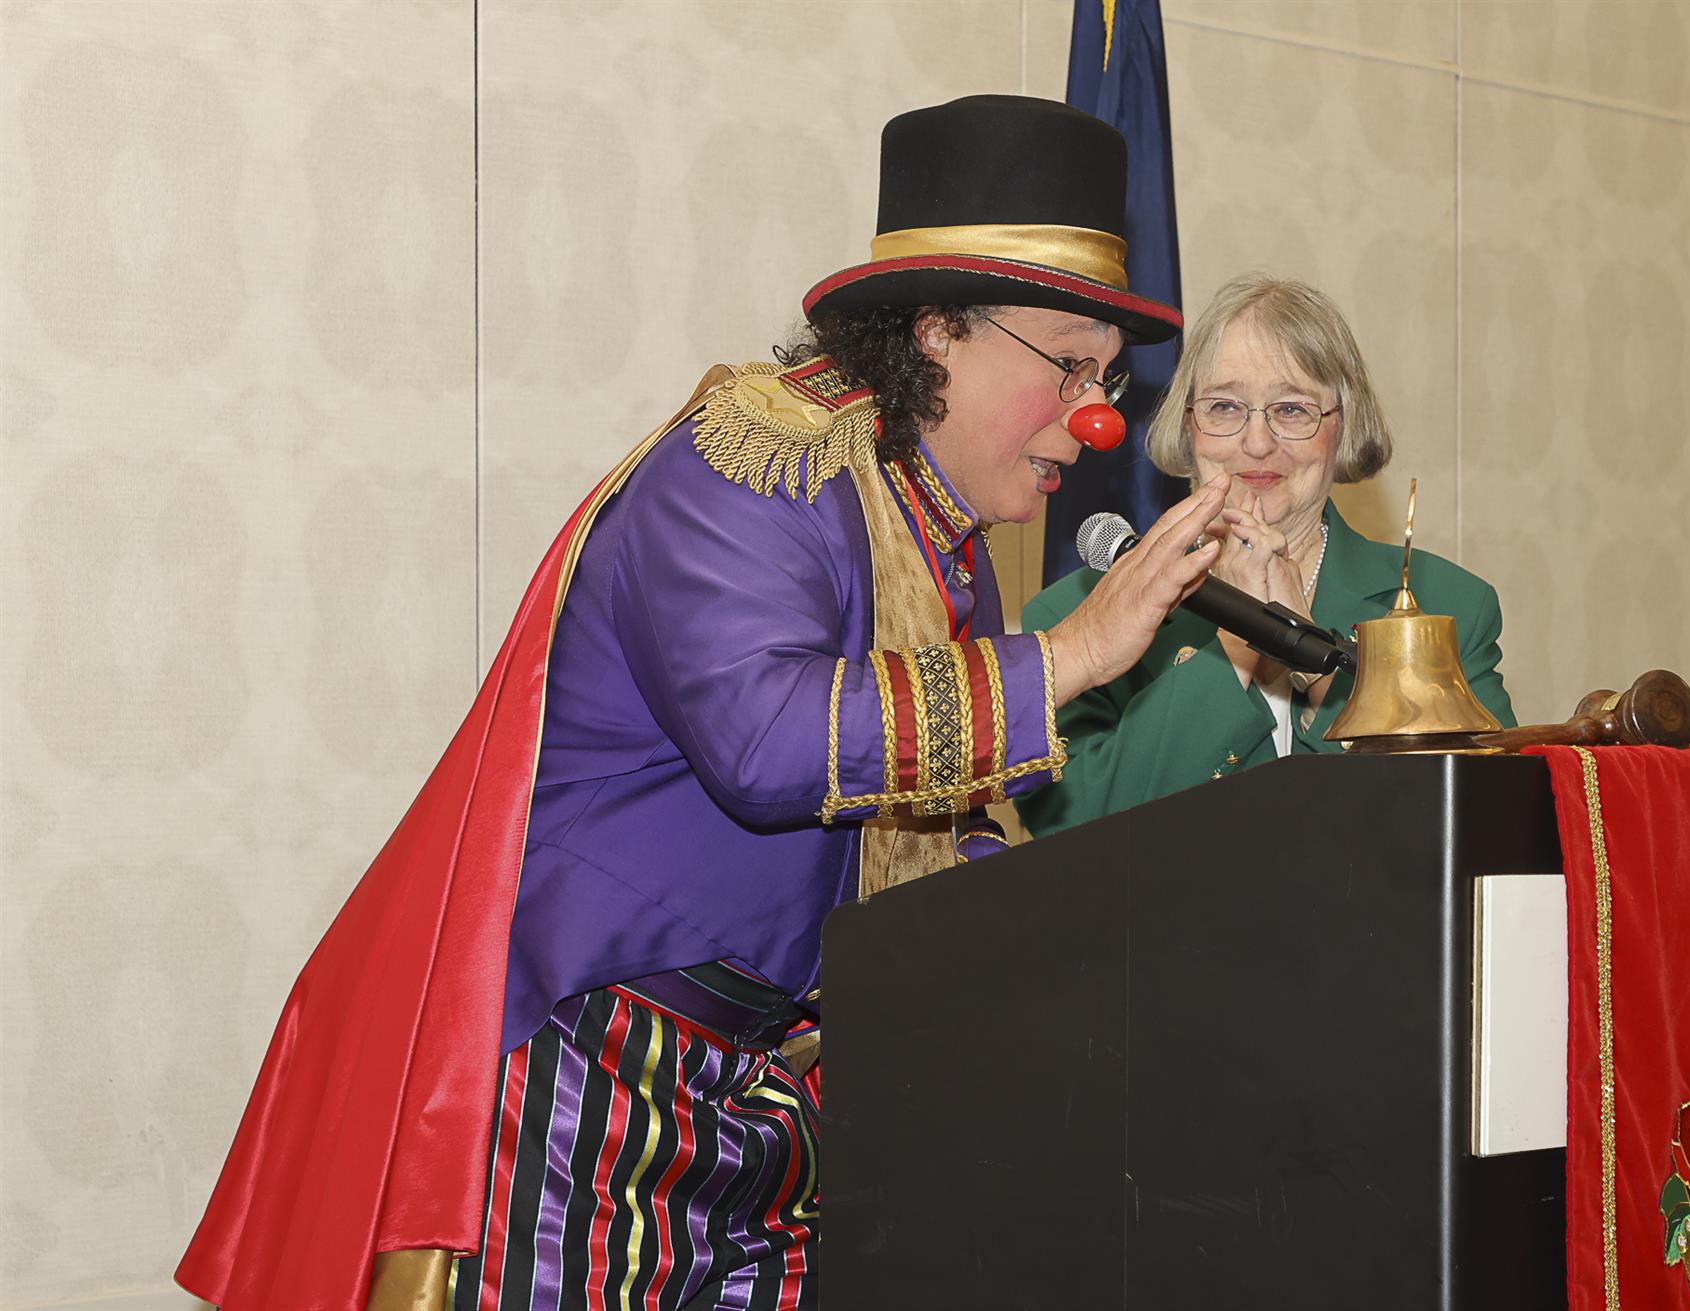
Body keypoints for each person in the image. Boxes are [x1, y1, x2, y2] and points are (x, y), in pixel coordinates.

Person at [176, 95, 1236, 1311]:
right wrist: (1073, 654)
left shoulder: (940, 541)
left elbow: (935, 840)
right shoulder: (753, 465)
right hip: (594, 1084)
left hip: (775, 1101)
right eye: (1068, 365)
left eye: (1107, 376)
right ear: (940, 329)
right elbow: (767, 743)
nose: (1096, 419)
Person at [1018, 274, 1515, 838]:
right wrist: (1239, 641)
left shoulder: (1450, 605)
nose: (1257, 443)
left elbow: (1483, 825)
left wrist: (1314, 661)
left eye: (1293, 410)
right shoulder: (1071, 618)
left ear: (1343, 428)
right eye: (1224, 406)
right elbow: (1075, 827)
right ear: (1187, 424)